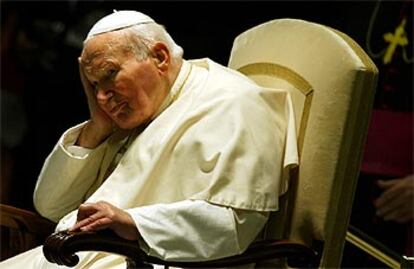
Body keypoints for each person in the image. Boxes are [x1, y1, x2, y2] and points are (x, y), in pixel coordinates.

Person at [0, 10, 298, 268]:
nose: (102, 96)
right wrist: (97, 127)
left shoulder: (234, 102)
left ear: (159, 57)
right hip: (85, 256)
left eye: (110, 74)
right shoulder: (138, 108)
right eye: (93, 86)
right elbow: (50, 205)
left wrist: (134, 223)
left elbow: (234, 225)